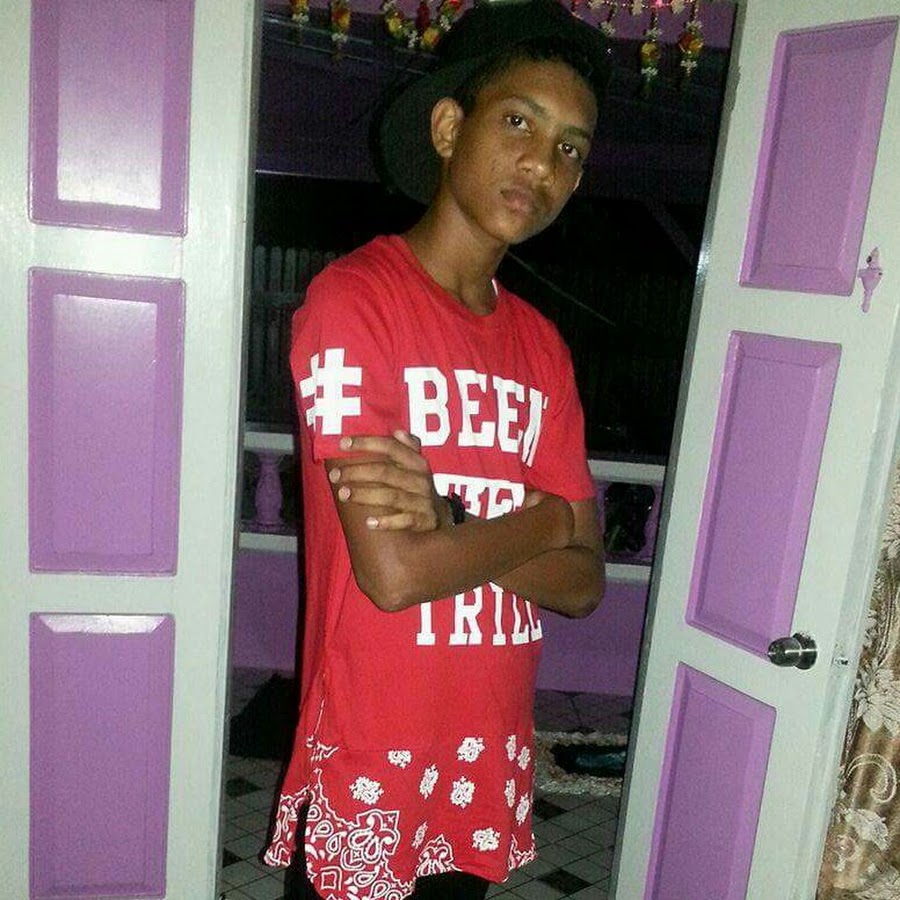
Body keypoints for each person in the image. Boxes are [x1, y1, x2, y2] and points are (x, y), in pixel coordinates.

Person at [263, 2, 610, 897]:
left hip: (486, 744)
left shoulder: (542, 348)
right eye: (520, 122)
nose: (544, 163)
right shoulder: (355, 303)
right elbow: (394, 574)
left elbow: (584, 585)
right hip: (374, 745)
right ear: (451, 127)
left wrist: (452, 521)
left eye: (571, 148)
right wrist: (543, 521)